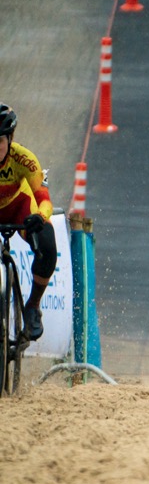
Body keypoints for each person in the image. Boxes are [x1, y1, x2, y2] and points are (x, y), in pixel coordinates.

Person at [0, 104, 56, 341]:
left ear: (10, 139)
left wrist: (39, 218)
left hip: (17, 210)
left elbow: (45, 201)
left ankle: (32, 307)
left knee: (47, 243)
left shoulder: (24, 159)